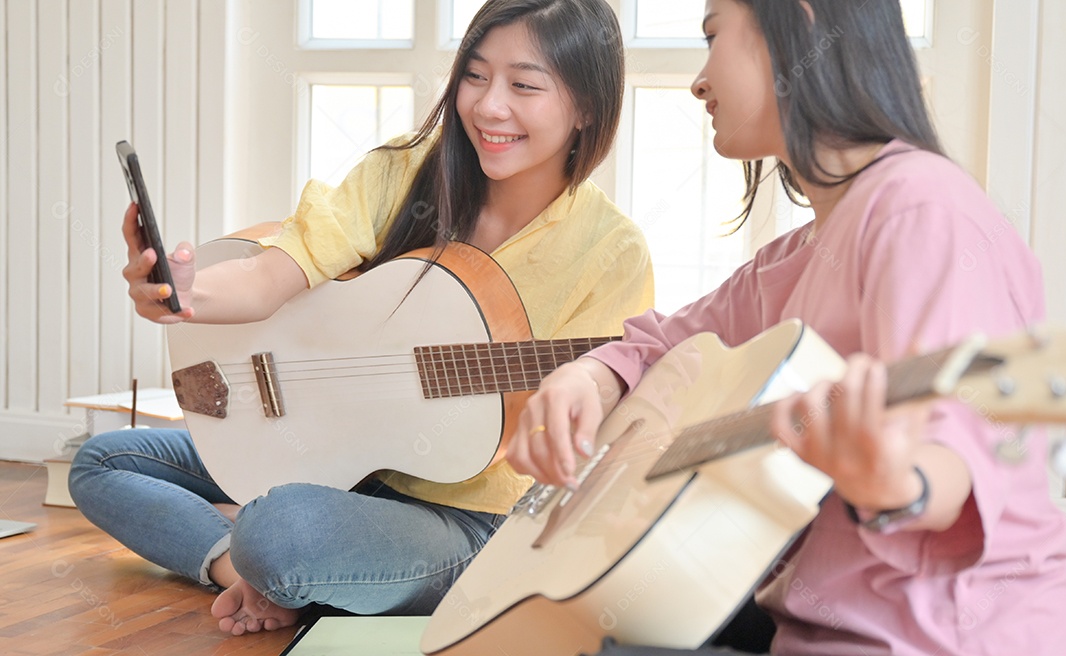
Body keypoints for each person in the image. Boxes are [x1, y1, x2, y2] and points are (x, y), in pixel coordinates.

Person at [507, 0, 1066, 654]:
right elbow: (661, 343)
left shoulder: (921, 208)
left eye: (713, 34)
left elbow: (953, 459)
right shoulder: (799, 254)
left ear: (800, 24)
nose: (699, 80)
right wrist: (590, 376)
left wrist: (891, 483)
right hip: (807, 628)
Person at [69, 0, 652, 637]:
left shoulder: (611, 250)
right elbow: (270, 276)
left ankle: (283, 559)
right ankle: (239, 572)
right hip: (332, 446)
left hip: (463, 519)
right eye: (476, 75)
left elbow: (605, 428)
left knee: (279, 528)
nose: (489, 106)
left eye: (524, 85)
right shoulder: (403, 171)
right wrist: (184, 294)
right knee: (101, 462)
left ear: (588, 105)